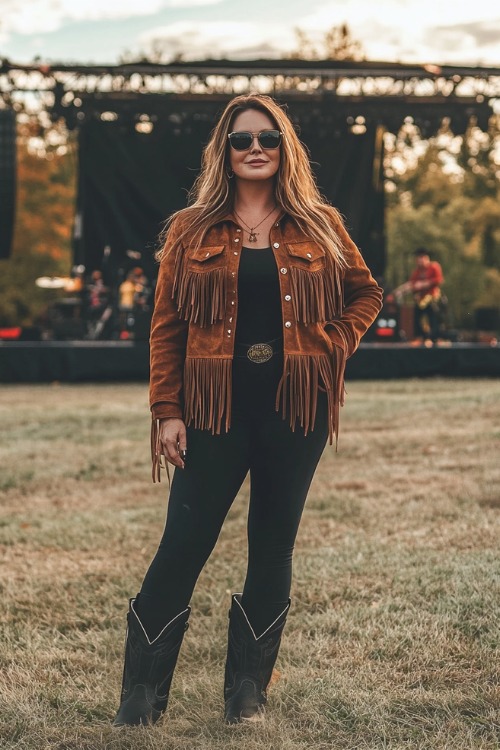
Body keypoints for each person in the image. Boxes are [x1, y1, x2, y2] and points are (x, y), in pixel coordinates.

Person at [113, 93, 383, 728]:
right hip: (214, 407)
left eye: (268, 138)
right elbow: (166, 325)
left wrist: (333, 342)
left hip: (297, 405)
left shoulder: (320, 222)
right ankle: (140, 700)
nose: (255, 147)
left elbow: (365, 291)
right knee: (183, 542)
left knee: (272, 545)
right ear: (225, 152)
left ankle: (246, 695)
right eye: (242, 139)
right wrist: (167, 407)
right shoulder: (190, 229)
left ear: (285, 148)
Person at [408, 248, 444, 344]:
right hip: (421, 299)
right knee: (417, 318)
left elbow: (438, 280)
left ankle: (434, 338)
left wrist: (424, 284)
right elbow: (413, 284)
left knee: (433, 317)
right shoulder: (416, 272)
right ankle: (421, 337)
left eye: (422, 258)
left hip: (432, 297)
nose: (420, 260)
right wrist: (415, 291)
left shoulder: (434, 267)